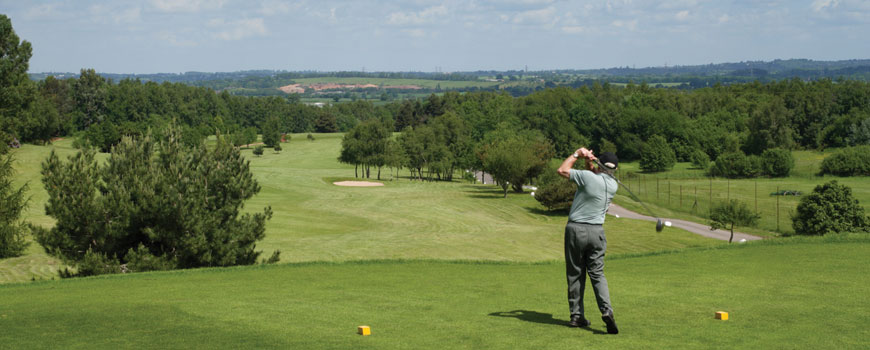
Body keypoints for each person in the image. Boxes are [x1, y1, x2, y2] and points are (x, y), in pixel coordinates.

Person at [556, 147, 620, 334]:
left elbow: (562, 170)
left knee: (575, 274)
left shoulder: (587, 177)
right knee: (597, 274)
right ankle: (607, 310)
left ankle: (576, 316)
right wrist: (589, 162)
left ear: (600, 165)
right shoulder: (613, 185)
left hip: (576, 230)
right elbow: (595, 175)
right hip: (597, 232)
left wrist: (577, 154)